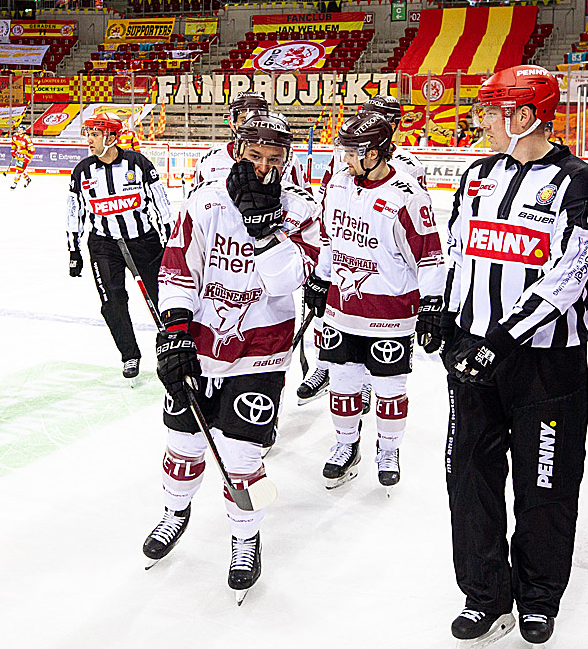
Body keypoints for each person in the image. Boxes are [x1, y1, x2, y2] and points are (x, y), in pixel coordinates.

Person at [444, 65, 588, 649]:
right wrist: (443, 314)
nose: (481, 121)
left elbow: (570, 276)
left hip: (545, 366)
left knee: (546, 484)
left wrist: (504, 338)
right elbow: (458, 249)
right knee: (469, 478)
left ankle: (538, 597)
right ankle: (485, 594)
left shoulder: (580, 182)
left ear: (525, 117)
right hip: (476, 360)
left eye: (491, 111)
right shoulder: (478, 172)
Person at [142, 111, 321, 601]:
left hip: (263, 345)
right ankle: (174, 511)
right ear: (237, 150)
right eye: (254, 156)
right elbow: (178, 270)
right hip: (202, 342)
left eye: (274, 159)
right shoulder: (205, 202)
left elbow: (292, 282)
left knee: (243, 456)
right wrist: (174, 332)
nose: (264, 168)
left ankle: (247, 537)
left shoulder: (299, 211)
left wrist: (265, 233)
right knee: (185, 443)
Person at [302, 111, 445, 491]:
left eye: (353, 152)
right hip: (342, 309)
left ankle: (389, 449)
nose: (345, 160)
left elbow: (430, 256)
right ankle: (346, 445)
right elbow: (331, 239)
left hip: (390, 314)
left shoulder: (408, 197)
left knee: (389, 390)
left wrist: (432, 305)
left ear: (377, 152)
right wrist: (320, 278)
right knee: (343, 385)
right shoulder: (338, 186)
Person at [295, 94, 428, 407]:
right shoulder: (349, 155)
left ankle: (368, 382)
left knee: (374, 321)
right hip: (345, 245)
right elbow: (331, 189)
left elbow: (416, 220)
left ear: (394, 125)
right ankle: (324, 367)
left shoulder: (409, 165)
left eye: (380, 116)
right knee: (331, 313)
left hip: (382, 257)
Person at [66, 112, 174, 383]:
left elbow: (161, 203)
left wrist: (170, 240)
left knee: (162, 297)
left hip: (143, 240)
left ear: (112, 137)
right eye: (88, 134)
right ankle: (129, 354)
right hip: (103, 244)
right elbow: (74, 211)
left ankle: (171, 346)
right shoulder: (82, 171)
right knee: (112, 302)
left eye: (95, 134)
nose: (89, 140)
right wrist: (74, 250)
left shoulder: (138, 164)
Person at [189, 91, 310, 193]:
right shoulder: (210, 160)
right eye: (244, 119)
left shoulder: (286, 159)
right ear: (232, 123)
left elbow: (304, 202)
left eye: (256, 118)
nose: (251, 124)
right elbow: (195, 201)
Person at [9, 123, 35, 190]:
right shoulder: (14, 136)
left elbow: (32, 150)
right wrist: (13, 151)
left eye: (21, 129)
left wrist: (27, 158)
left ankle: (15, 183)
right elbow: (13, 144)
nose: (19, 130)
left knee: (19, 170)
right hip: (18, 156)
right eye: (19, 129)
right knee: (22, 170)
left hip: (25, 157)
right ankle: (28, 179)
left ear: (24, 131)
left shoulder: (27, 138)